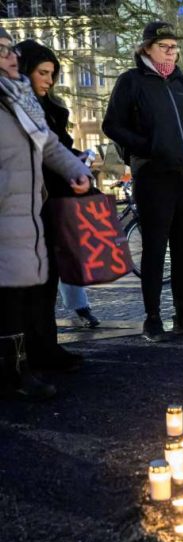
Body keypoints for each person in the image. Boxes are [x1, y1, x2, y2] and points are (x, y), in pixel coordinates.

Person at [102, 21, 183, 342]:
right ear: (146, 49)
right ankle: (152, 317)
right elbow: (112, 125)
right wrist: (148, 148)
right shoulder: (132, 82)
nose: (172, 52)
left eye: (175, 47)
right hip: (154, 177)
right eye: (164, 46)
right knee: (154, 248)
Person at [0, 26, 92, 400]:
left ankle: (19, 369)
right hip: (7, 210)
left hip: (25, 213)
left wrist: (77, 171)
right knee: (8, 297)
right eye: (3, 50)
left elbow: (49, 144)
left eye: (10, 49)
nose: (12, 57)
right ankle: (14, 374)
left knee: (20, 295)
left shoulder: (18, 99)